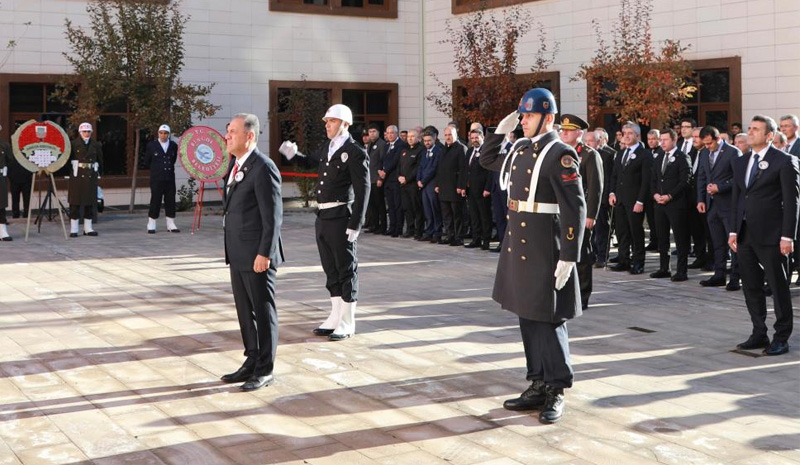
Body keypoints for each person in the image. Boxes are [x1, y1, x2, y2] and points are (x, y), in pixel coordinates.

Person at [480, 88, 587, 424]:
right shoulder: (521, 149)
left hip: (545, 246)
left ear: (548, 118)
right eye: (522, 115)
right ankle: (537, 382)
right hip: (520, 244)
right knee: (527, 316)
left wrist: (569, 255)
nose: (523, 120)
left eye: (528, 115)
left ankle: (556, 388)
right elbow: (487, 160)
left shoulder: (560, 154)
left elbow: (575, 208)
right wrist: (499, 132)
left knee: (550, 320)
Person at [280, 104, 369, 341]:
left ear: (344, 124)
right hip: (323, 216)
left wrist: (356, 223)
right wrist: (293, 155)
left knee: (346, 269)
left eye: (331, 121)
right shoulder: (328, 147)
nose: (327, 125)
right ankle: (335, 315)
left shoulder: (355, 151)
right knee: (330, 269)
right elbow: (310, 161)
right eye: (326, 121)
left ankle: (348, 321)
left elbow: (363, 190)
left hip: (341, 216)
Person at [221, 113, 284, 391]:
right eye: (227, 131)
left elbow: (273, 218)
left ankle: (265, 368)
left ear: (250, 136)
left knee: (262, 310)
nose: (227, 136)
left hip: (258, 255)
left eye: (233, 131)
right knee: (245, 313)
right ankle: (251, 359)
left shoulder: (263, 167)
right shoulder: (236, 165)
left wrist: (265, 254)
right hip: (238, 253)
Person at [729, 115, 799, 356]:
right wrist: (733, 230)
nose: (750, 132)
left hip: (772, 235)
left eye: (756, 129)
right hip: (745, 234)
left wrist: (787, 236)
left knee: (778, 288)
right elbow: (738, 198)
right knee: (751, 286)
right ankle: (759, 332)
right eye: (749, 128)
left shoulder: (785, 161)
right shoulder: (741, 162)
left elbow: (792, 203)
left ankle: (781, 338)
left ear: (769, 135)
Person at [559, 114, 602, 309]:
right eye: (562, 129)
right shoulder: (560, 153)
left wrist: (591, 215)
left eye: (569, 130)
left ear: (579, 132)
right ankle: (565, 291)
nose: (564, 132)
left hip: (580, 213)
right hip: (561, 212)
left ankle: (583, 295)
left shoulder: (589, 154)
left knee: (582, 255)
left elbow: (595, 187)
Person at [696, 125, 742, 290]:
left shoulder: (732, 152)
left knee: (733, 243)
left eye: (710, 143)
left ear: (718, 139)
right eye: (705, 144)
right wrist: (701, 199)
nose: (707, 147)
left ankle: (736, 277)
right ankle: (719, 274)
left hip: (728, 205)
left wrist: (720, 187)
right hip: (711, 205)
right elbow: (701, 177)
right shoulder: (703, 153)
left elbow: (738, 179)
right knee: (717, 242)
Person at [609, 121, 652, 274]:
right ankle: (623, 260)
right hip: (619, 199)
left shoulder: (644, 154)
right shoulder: (621, 153)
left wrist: (640, 201)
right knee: (622, 232)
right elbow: (614, 176)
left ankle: (638, 262)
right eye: (624, 133)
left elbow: (646, 181)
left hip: (635, 201)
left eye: (630, 134)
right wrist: (612, 193)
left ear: (637, 135)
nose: (626, 136)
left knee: (636, 232)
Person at [649, 128, 691, 281]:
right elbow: (653, 179)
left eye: (665, 140)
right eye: (661, 140)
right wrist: (655, 194)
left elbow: (685, 181)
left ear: (674, 140)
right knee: (662, 238)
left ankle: (681, 270)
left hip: (676, 204)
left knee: (680, 239)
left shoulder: (682, 157)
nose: (662, 143)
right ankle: (664, 267)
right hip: (659, 204)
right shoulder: (659, 157)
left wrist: (670, 196)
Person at [143, 124, 180, 233]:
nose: (163, 135)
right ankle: (151, 223)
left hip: (169, 177)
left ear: (168, 134)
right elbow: (147, 161)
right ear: (158, 133)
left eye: (165, 133)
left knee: (170, 200)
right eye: (161, 133)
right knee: (156, 199)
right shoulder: (152, 145)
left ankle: (171, 223)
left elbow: (173, 159)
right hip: (156, 178)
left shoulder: (173, 145)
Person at [68, 122, 102, 238]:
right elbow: (67, 160)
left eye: (88, 131)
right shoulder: (73, 144)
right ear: (80, 132)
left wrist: (99, 173)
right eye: (84, 131)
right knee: (75, 203)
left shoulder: (96, 145)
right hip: (77, 175)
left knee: (90, 203)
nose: (86, 133)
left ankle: (88, 228)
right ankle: (74, 229)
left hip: (91, 175)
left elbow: (100, 160)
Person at [460, 128, 492, 250]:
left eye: (476, 138)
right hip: (471, 189)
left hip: (482, 190)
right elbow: (465, 170)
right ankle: (476, 239)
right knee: (474, 216)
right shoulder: (469, 151)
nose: (474, 140)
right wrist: (463, 186)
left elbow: (490, 172)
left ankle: (486, 240)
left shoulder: (486, 151)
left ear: (482, 137)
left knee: (484, 216)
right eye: (472, 138)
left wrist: (487, 188)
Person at [435, 126, 467, 246]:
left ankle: (459, 237)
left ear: (455, 135)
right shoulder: (444, 149)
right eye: (446, 135)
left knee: (457, 214)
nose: (448, 137)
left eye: (450, 135)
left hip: (455, 187)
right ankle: (450, 235)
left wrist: (461, 186)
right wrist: (438, 184)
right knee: (447, 215)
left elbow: (463, 169)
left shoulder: (460, 148)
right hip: (444, 187)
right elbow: (439, 168)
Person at [592, 128, 616, 267]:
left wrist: (607, 196)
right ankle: (593, 254)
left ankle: (602, 255)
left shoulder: (609, 154)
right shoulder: (587, 153)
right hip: (589, 197)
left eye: (598, 138)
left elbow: (610, 178)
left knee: (602, 228)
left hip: (602, 197)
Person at [381, 125, 408, 237]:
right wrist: (380, 171)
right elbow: (382, 160)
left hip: (395, 179)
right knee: (390, 206)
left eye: (392, 133)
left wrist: (385, 170)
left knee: (397, 205)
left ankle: (398, 228)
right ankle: (391, 227)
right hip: (386, 180)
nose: (390, 135)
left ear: (396, 134)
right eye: (388, 133)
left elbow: (395, 160)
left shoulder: (401, 145)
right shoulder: (387, 145)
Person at [399, 129, 425, 239]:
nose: (410, 138)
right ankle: (410, 229)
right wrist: (399, 176)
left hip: (413, 184)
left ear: (418, 138)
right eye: (408, 136)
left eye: (412, 136)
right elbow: (399, 166)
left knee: (417, 208)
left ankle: (418, 231)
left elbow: (418, 168)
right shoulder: (404, 150)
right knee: (407, 208)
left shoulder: (421, 150)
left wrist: (407, 179)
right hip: (403, 184)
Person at [418, 130, 443, 242]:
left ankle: (437, 233)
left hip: (432, 184)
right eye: (425, 141)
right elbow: (420, 167)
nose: (427, 143)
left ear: (434, 140)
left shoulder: (438, 151)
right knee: (427, 210)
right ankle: (429, 231)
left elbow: (433, 168)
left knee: (435, 210)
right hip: (423, 186)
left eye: (429, 140)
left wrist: (423, 181)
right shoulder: (424, 152)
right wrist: (418, 179)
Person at [365, 124, 386, 234]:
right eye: (370, 132)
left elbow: (382, 162)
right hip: (369, 179)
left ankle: (382, 226)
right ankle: (374, 224)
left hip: (377, 179)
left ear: (378, 132)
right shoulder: (369, 145)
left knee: (380, 204)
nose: (372, 134)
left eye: (374, 131)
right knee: (372, 204)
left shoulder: (382, 144)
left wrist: (380, 178)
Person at [0, 134, 12, 241]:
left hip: (0, 176)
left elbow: (9, 160)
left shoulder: (4, 145)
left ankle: (2, 231)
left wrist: (5, 169)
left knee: (1, 204)